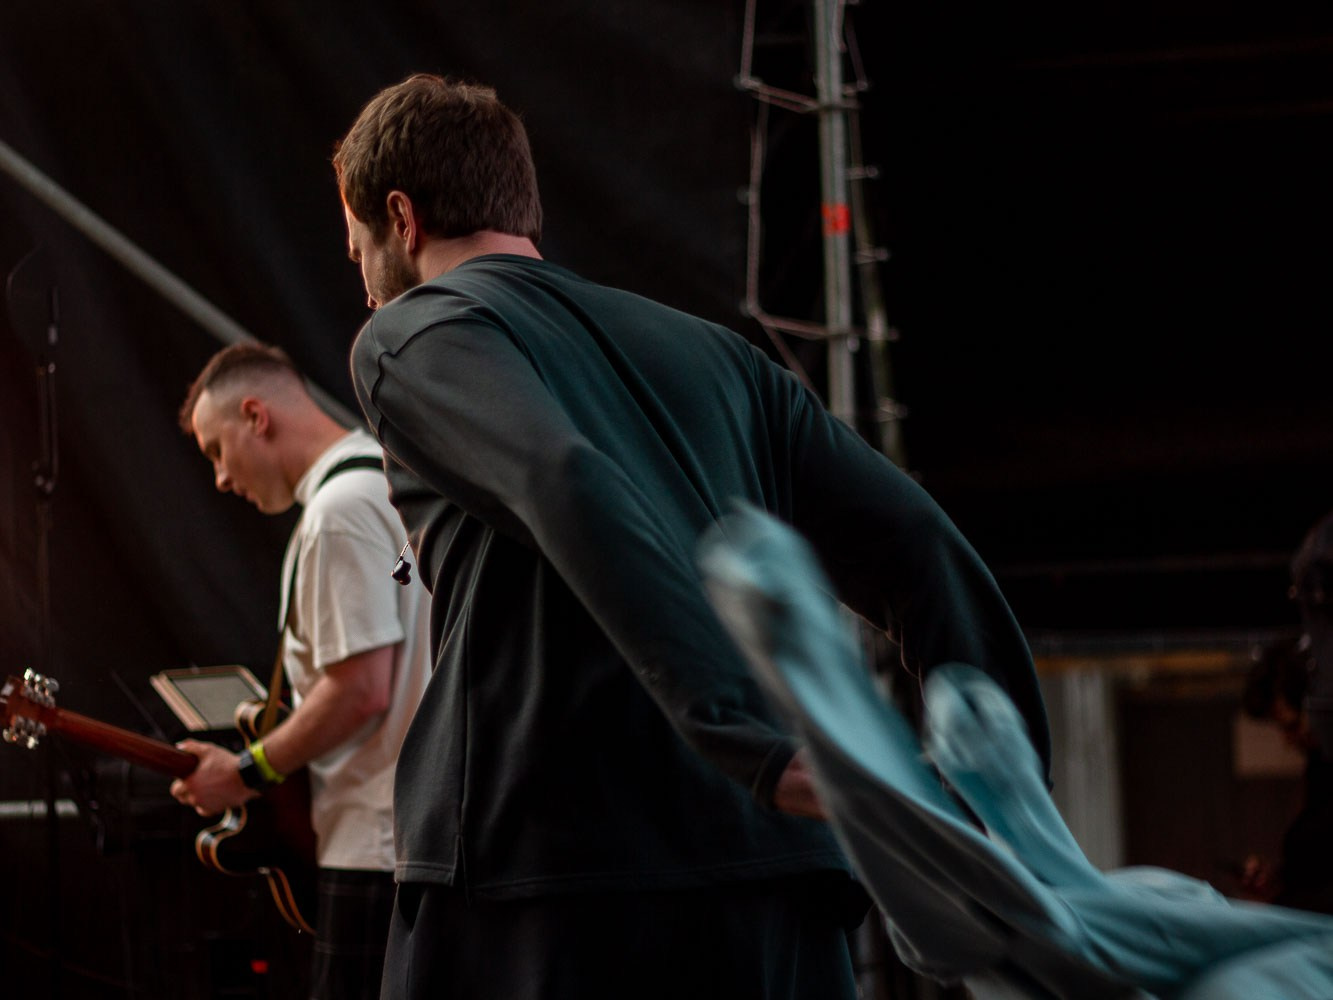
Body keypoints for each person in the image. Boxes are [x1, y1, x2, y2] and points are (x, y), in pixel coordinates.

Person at [332, 73, 1051, 999]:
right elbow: (915, 541)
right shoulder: (719, 356)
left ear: (400, 217)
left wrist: (743, 738)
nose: (363, 288)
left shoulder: (411, 334)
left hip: (551, 881)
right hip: (777, 882)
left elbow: (566, 478)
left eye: (355, 250)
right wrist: (1006, 803)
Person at [170, 342, 432, 1000]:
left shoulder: (337, 514)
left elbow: (360, 690)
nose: (220, 479)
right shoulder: (391, 483)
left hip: (375, 846)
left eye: (216, 451)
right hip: (421, 839)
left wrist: (246, 770)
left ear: (255, 416)